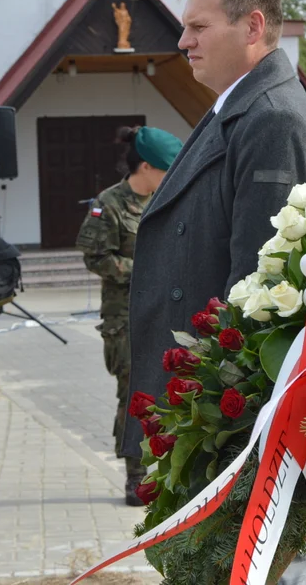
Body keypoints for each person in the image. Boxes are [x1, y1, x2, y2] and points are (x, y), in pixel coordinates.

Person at [124, 0, 306, 585]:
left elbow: (263, 294)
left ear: (252, 27)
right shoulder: (238, 106)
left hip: (233, 418)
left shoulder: (271, 119)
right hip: (209, 408)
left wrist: (223, 418)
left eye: (198, 26)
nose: (182, 41)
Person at [76, 125, 181, 506]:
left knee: (172, 392)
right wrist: (142, 271)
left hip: (166, 313)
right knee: (133, 395)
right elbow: (95, 256)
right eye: (167, 169)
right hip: (126, 316)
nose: (172, 176)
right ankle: (135, 476)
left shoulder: (166, 199)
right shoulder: (111, 203)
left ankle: (169, 469)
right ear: (147, 167)